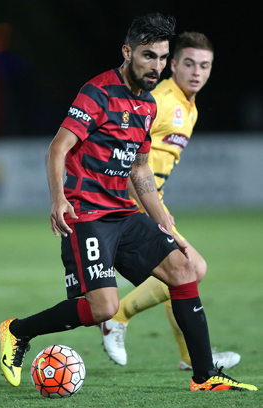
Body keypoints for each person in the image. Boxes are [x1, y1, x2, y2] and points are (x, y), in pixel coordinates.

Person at [0, 14, 256, 392]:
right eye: (148, 56)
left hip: (123, 211)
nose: (157, 66)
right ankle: (16, 331)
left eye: (163, 58)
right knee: (102, 308)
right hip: (87, 214)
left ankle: (204, 375)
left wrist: (167, 227)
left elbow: (139, 171)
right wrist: (58, 200)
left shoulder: (149, 105)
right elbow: (58, 147)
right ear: (127, 52)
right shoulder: (98, 92)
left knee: (184, 268)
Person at [99, 32, 241, 371]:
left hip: (149, 200)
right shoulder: (162, 100)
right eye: (189, 64)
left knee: (181, 273)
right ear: (173, 65)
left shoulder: (188, 106)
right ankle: (117, 316)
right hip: (128, 200)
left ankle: (191, 356)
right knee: (191, 268)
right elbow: (128, 155)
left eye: (204, 66)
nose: (197, 72)